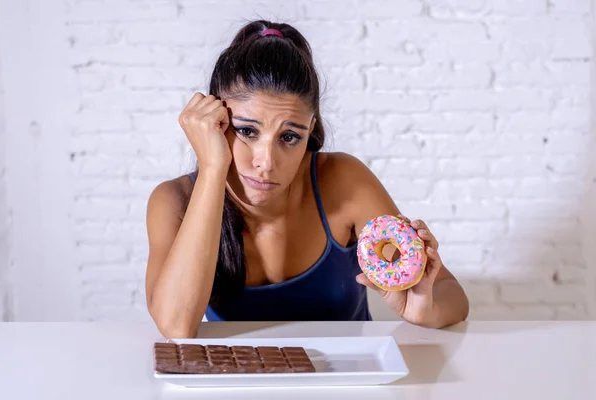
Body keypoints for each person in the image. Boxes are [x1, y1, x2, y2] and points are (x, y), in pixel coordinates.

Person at [145, 20, 469, 338]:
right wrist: (213, 167)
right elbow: (176, 327)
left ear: (310, 130)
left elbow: (448, 291)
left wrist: (426, 309)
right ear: (214, 123)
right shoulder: (174, 201)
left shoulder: (344, 182)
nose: (266, 162)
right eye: (246, 131)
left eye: (288, 137)